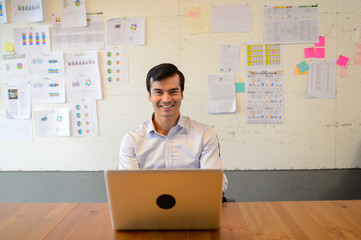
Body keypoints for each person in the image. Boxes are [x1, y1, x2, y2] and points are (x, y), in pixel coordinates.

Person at [119, 63, 228, 193]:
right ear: (149, 96)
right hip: (148, 211)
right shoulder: (132, 140)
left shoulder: (204, 134)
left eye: (173, 92)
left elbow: (216, 184)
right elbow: (128, 188)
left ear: (182, 94)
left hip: (193, 209)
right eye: (159, 92)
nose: (166, 99)